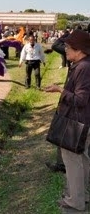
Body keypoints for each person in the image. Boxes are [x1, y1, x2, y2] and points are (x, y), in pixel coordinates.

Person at [43, 29, 90, 211]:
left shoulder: (84, 68)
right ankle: (82, 196)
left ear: (79, 50)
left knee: (72, 161)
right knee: (82, 158)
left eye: (69, 47)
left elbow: (80, 100)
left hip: (76, 122)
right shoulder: (83, 64)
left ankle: (75, 201)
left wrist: (60, 90)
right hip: (82, 121)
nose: (65, 49)